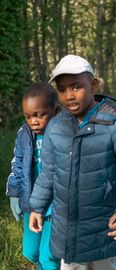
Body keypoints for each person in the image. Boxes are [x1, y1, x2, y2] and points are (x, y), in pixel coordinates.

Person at [28, 55, 116, 270]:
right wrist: (37, 207)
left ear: (93, 85)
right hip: (67, 228)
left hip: (103, 225)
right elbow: (48, 172)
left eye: (76, 87)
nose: (69, 95)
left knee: (105, 265)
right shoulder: (56, 127)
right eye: (62, 89)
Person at [6, 83, 60, 270]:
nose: (33, 121)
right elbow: (18, 163)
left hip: (56, 205)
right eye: (28, 116)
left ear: (56, 110)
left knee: (49, 257)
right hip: (32, 201)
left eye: (40, 114)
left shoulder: (64, 133)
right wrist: (14, 192)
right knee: (31, 253)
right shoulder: (25, 134)